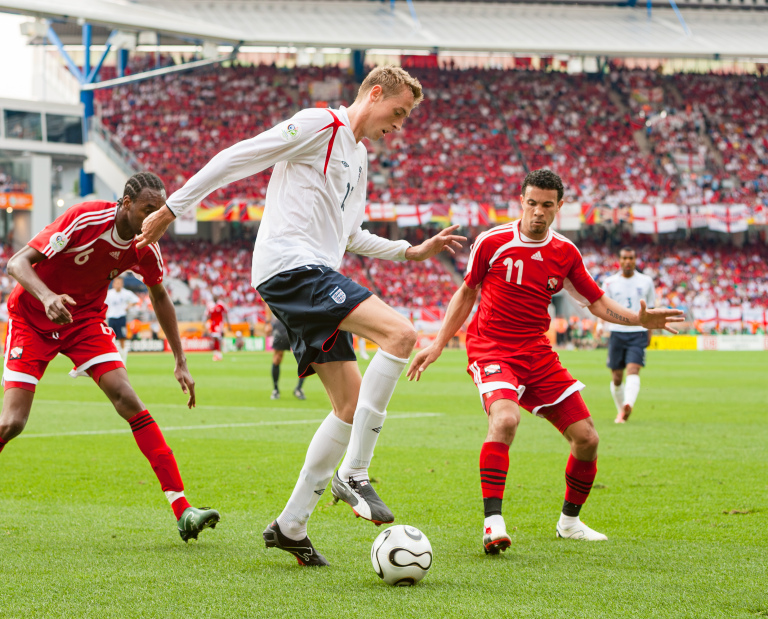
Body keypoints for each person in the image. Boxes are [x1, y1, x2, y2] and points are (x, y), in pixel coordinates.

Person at [136, 66, 465, 566]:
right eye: (397, 112)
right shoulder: (320, 125)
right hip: (292, 268)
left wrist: (410, 253)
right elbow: (236, 156)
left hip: (314, 270)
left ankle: (291, 526)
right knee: (400, 334)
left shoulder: (358, 157)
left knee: (350, 405)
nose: (399, 125)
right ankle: (355, 472)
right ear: (374, 94)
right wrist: (172, 208)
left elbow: (349, 235)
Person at [0, 172, 220, 543]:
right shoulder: (86, 218)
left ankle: (183, 511)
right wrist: (48, 297)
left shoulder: (147, 244)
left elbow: (160, 296)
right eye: (149, 209)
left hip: (84, 323)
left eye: (159, 210)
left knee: (128, 399)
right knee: (12, 422)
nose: (155, 217)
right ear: (127, 204)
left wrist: (180, 359)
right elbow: (17, 264)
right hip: (33, 319)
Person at [408, 169, 683, 554]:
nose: (538, 212)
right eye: (532, 203)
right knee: (505, 419)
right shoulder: (493, 242)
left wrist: (638, 319)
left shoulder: (566, 253)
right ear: (521, 201)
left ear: (560, 207)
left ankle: (569, 523)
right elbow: (466, 293)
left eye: (547, 205)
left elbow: (597, 302)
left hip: (536, 352)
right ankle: (493, 524)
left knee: (587, 439)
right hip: (492, 347)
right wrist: (438, 344)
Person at [601, 247, 656, 423]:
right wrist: (600, 325)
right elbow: (603, 306)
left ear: (635, 260)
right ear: (619, 260)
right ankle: (622, 411)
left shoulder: (646, 281)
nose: (627, 261)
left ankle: (629, 404)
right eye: (624, 258)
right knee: (617, 377)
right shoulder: (610, 282)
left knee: (633, 370)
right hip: (617, 331)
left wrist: (650, 331)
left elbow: (651, 309)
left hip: (638, 332)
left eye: (631, 258)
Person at [268, 316, 306, 401]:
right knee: (277, 358)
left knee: (305, 357)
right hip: (282, 320)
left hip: (300, 321)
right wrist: (268, 322)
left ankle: (298, 389)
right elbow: (267, 304)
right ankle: (275, 389)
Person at [106, 276, 140, 364]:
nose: (118, 285)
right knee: (111, 339)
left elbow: (136, 300)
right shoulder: (109, 293)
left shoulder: (126, 293)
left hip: (121, 317)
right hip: (111, 317)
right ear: (113, 284)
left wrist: (129, 306)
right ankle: (112, 359)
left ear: (122, 284)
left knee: (122, 338)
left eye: (120, 283)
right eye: (117, 283)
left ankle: (123, 360)